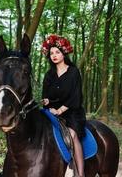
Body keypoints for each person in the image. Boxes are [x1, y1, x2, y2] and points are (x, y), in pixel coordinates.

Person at [41, 34, 86, 177]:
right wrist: (47, 103)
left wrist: (60, 110)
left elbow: (76, 97)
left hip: (71, 112)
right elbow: (45, 96)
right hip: (52, 111)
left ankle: (80, 172)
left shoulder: (73, 72)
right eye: (51, 53)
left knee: (72, 135)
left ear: (63, 53)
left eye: (57, 52)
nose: (54, 55)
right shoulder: (49, 74)